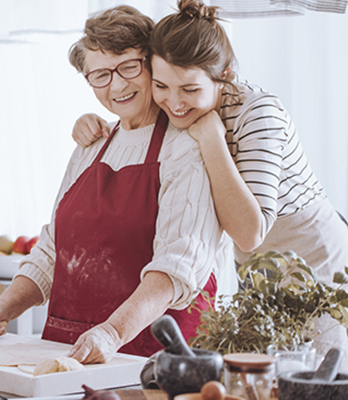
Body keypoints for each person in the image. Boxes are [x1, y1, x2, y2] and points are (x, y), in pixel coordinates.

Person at [72, 0, 348, 363]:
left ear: (225, 75)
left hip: (313, 255)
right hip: (255, 268)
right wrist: (92, 123)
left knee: (318, 374)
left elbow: (250, 232)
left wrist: (213, 138)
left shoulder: (259, 113)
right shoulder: (179, 108)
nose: (174, 102)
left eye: (188, 89)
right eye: (162, 86)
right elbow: (136, 118)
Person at [0, 5, 231, 364]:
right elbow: (52, 251)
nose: (118, 85)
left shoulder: (187, 147)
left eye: (129, 67)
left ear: (152, 64)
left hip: (152, 358)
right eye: (100, 75)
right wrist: (2, 309)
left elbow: (177, 268)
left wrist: (112, 332)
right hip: (70, 351)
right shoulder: (90, 145)